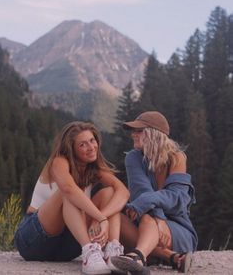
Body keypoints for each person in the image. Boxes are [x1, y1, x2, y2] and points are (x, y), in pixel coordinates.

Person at [14, 121, 130, 275]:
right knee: (68, 192)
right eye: (82, 144)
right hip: (34, 239)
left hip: (67, 247)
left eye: (92, 140)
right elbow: (68, 189)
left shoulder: (93, 168)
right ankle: (89, 253)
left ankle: (113, 254)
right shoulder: (59, 161)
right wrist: (100, 218)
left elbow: (123, 192)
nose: (91, 147)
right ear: (72, 149)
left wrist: (102, 218)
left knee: (109, 192)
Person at [111, 111, 198, 274]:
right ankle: (172, 257)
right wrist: (159, 217)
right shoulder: (133, 157)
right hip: (149, 224)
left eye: (139, 131)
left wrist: (155, 213)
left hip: (178, 231)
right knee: (116, 218)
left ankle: (138, 256)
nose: (133, 135)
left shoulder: (177, 158)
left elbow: (177, 198)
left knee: (146, 217)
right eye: (133, 131)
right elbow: (141, 190)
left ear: (154, 134)